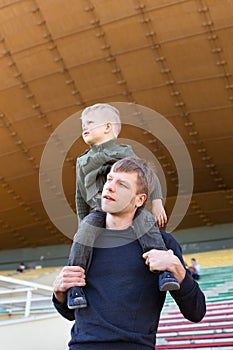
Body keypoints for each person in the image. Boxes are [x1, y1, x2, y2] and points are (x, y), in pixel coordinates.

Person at [53, 157, 206, 350]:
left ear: (139, 199)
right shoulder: (84, 242)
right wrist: (59, 293)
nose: (109, 187)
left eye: (122, 185)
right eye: (109, 180)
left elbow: (196, 312)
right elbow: (73, 314)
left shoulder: (162, 244)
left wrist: (178, 270)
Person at [67, 103, 178, 310]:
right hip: (100, 210)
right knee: (82, 239)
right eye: (83, 124)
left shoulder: (125, 151)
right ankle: (75, 288)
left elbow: (149, 176)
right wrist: (82, 223)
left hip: (128, 207)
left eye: (90, 123)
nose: (84, 128)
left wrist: (157, 202)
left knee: (147, 226)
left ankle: (164, 272)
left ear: (108, 127)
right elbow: (79, 194)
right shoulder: (82, 161)